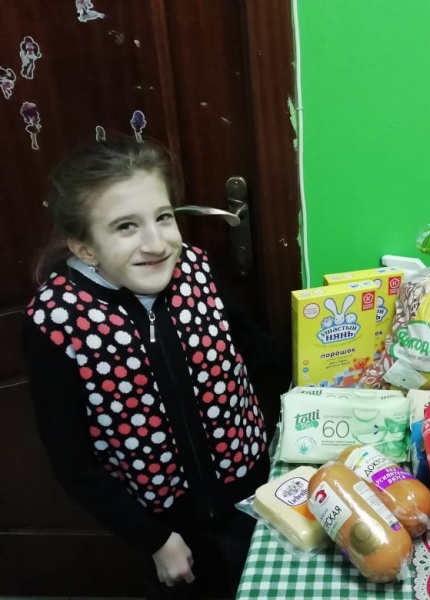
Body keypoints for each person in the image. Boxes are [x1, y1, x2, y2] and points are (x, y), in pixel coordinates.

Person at [22, 135, 290, 599]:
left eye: (163, 217)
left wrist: (344, 346)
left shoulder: (196, 272)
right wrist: (154, 540)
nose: (157, 243)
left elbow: (260, 354)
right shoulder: (57, 322)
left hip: (252, 491)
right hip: (166, 528)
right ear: (84, 247)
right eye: (126, 226)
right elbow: (72, 462)